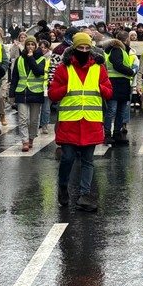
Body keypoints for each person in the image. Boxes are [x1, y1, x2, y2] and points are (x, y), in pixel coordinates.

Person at [49, 31, 112, 210]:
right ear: (74, 49)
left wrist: (99, 87)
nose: (84, 51)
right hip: (70, 122)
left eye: (87, 48)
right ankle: (63, 186)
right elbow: (53, 94)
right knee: (68, 158)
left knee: (87, 160)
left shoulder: (98, 68)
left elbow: (109, 92)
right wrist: (66, 88)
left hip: (91, 122)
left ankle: (84, 195)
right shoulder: (64, 68)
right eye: (80, 48)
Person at [8, 36, 46, 152]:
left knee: (34, 120)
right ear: (25, 46)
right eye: (28, 45)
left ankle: (31, 138)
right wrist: (11, 93)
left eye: (32, 45)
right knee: (22, 119)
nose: (30, 47)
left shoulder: (41, 59)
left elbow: (38, 72)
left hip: (36, 92)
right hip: (22, 92)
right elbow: (14, 77)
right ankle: (24, 141)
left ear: (36, 46)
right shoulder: (19, 59)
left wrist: (31, 59)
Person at [102, 33, 134, 145]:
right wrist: (131, 71)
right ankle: (108, 134)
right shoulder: (117, 50)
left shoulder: (113, 50)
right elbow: (118, 65)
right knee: (113, 110)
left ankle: (115, 133)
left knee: (119, 110)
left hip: (119, 83)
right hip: (117, 83)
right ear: (126, 40)